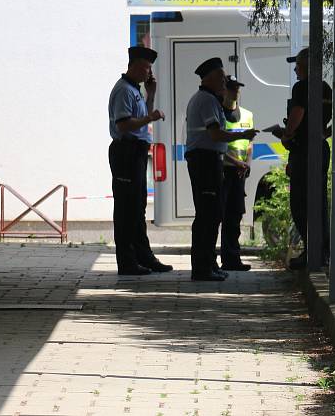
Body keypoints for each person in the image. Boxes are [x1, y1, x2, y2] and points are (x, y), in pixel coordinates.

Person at [272, 48, 335, 270]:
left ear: (305, 65)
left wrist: (286, 134)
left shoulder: (302, 87)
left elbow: (297, 114)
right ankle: (320, 252)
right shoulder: (325, 88)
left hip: (304, 150)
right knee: (318, 200)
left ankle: (311, 251)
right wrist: (324, 133)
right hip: (320, 148)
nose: (295, 69)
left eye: (297, 65)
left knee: (300, 202)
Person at [185, 58, 258, 281]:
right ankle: (202, 268)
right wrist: (242, 135)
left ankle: (209, 263)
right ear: (209, 78)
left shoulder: (211, 99)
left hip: (210, 159)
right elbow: (215, 134)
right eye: (220, 77)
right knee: (207, 215)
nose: (224, 82)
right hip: (204, 160)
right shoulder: (206, 100)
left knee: (213, 214)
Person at [108, 46, 174, 276]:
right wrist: (150, 117)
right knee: (126, 210)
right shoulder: (124, 91)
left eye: (150, 69)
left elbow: (142, 116)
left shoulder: (135, 90)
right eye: (146, 67)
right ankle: (127, 262)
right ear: (134, 65)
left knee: (137, 209)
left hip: (136, 152)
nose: (148, 72)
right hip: (125, 152)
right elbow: (124, 124)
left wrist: (151, 95)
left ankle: (143, 257)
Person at [219, 76, 253, 271]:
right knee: (220, 215)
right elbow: (218, 143)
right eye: (232, 89)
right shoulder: (218, 114)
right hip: (224, 169)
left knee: (235, 216)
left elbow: (250, 144)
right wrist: (237, 163)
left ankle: (232, 259)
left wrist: (246, 164)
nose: (235, 92)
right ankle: (222, 258)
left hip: (240, 172)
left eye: (237, 89)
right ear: (224, 91)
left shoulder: (247, 115)